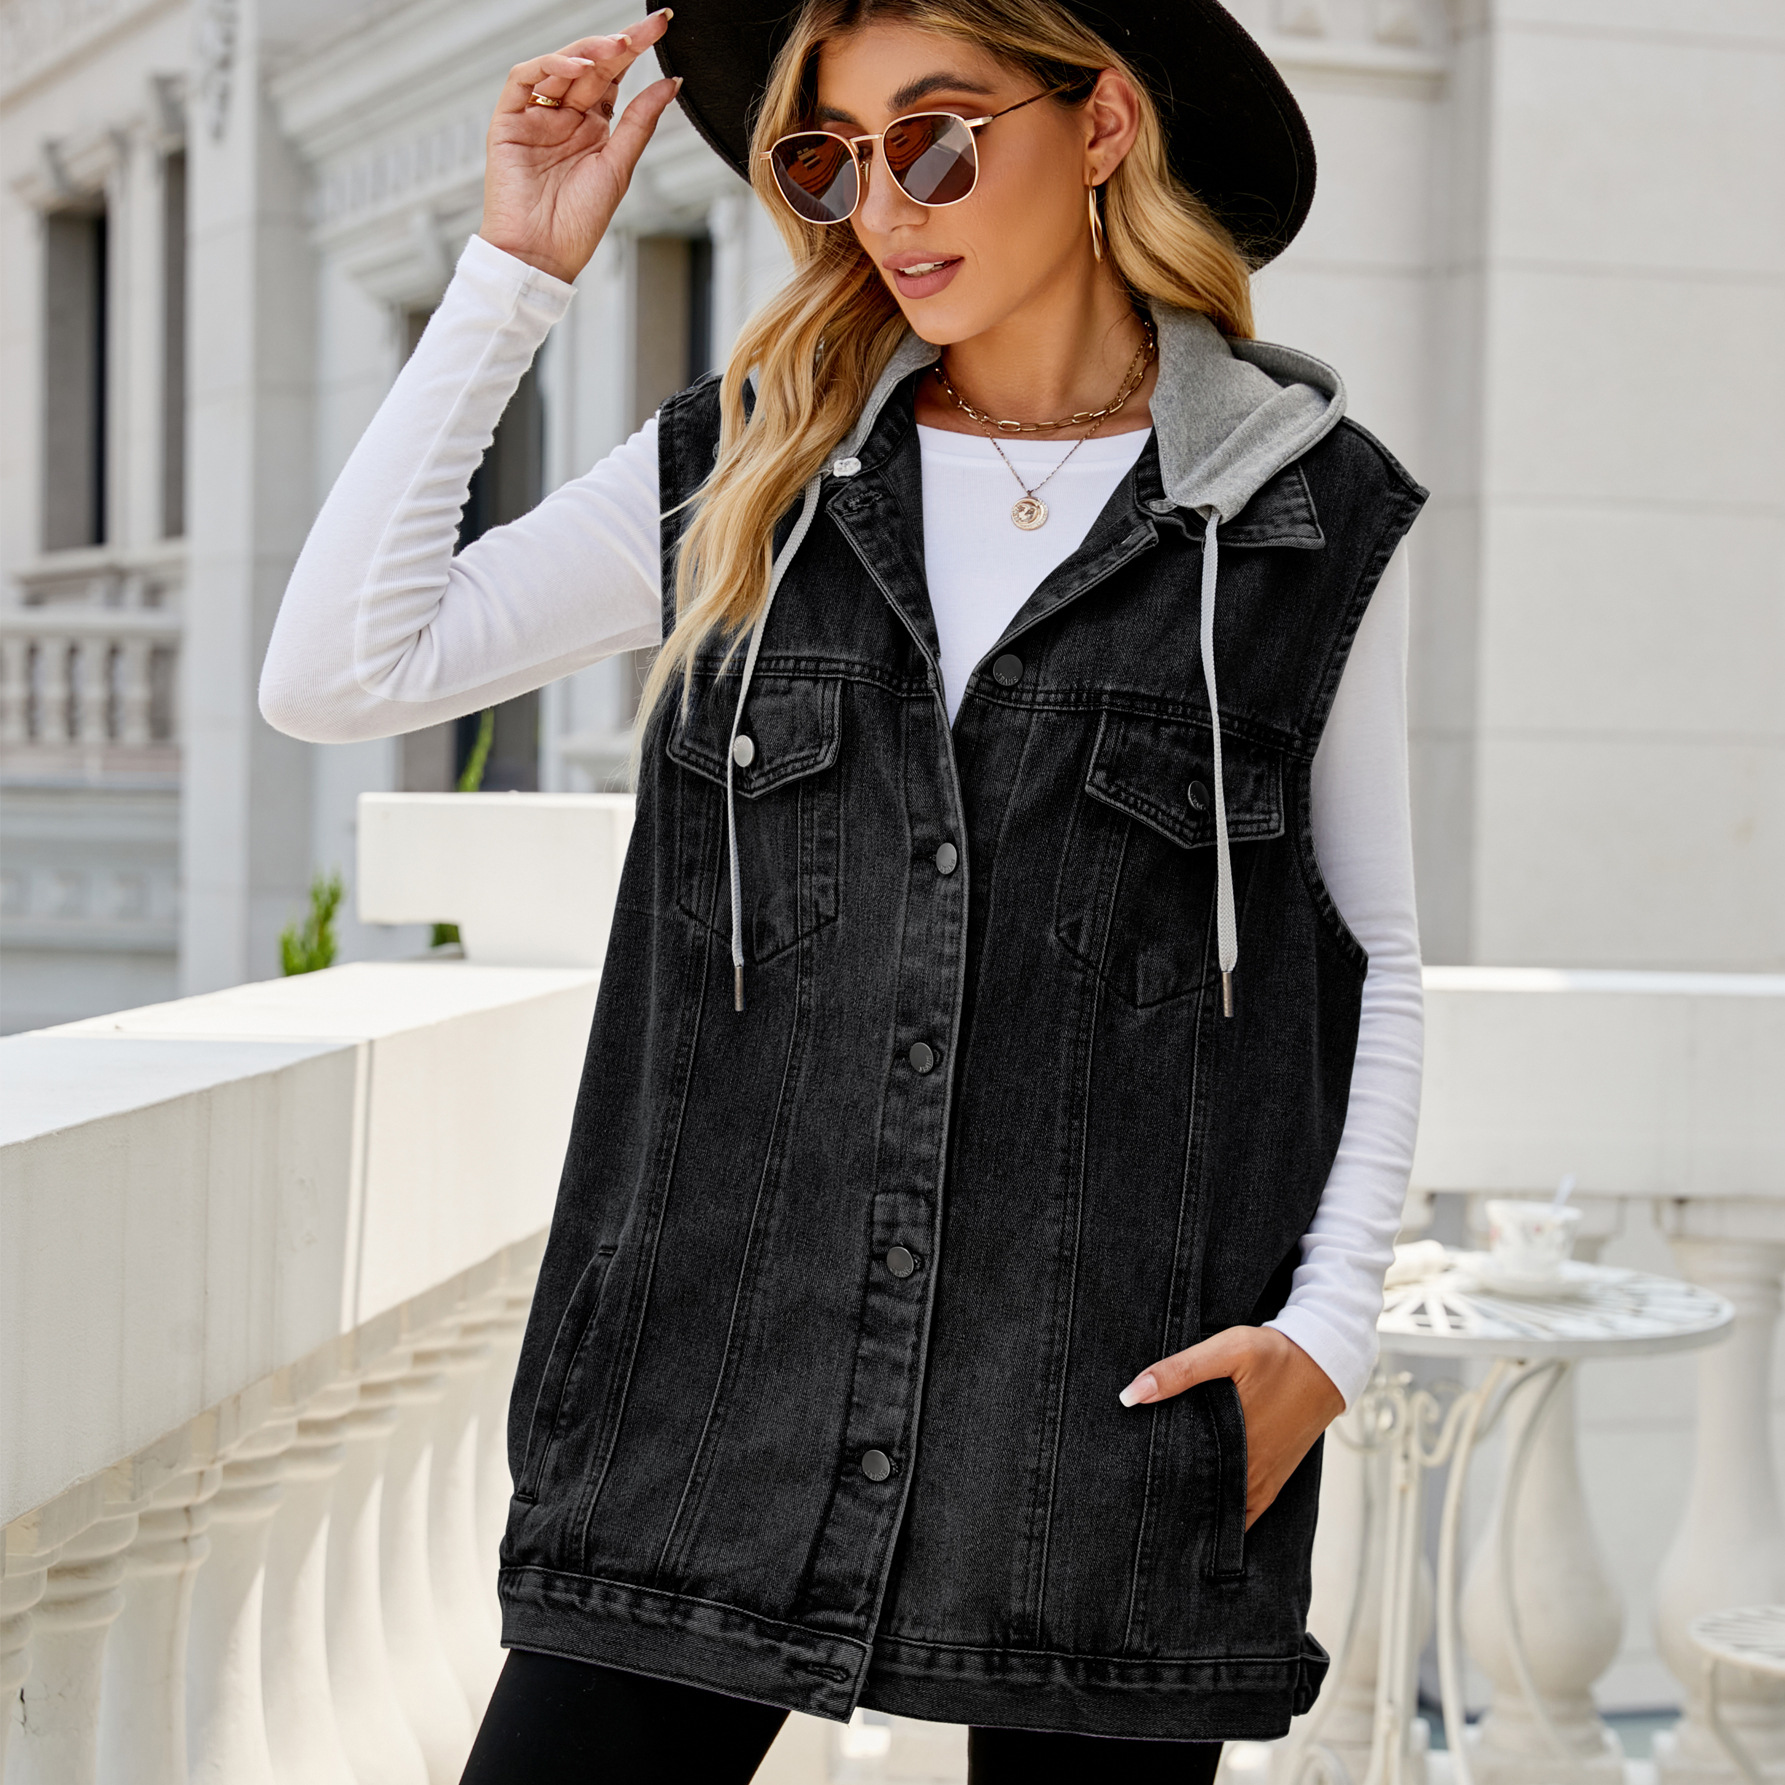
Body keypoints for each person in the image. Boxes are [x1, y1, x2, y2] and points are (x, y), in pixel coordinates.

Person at [260, 1, 1427, 1777]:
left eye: (937, 140)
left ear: (1101, 123)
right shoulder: (751, 465)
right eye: (831, 158)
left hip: (1102, 1437)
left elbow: (1374, 954)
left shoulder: (1300, 514)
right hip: (706, 1404)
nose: (884, 205)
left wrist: (1325, 1334)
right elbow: (337, 671)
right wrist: (515, 272)